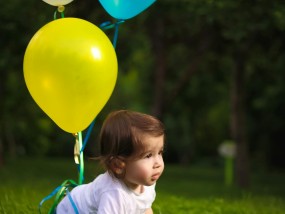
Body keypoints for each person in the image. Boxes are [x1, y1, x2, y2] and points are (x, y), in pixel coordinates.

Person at [57, 110, 165, 214]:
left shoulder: (146, 182)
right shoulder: (114, 194)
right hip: (71, 209)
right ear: (118, 165)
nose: (158, 163)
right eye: (148, 155)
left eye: (160, 152)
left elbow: (144, 207)